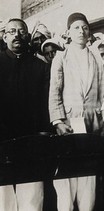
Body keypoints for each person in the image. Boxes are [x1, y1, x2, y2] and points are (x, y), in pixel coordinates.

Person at [48, 12, 104, 211]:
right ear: (69, 32)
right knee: (66, 181)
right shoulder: (61, 57)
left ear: (89, 32)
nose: (81, 31)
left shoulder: (96, 57)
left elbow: (101, 90)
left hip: (91, 124)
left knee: (88, 180)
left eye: (85, 27)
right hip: (70, 124)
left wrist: (101, 118)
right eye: (77, 28)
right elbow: (55, 90)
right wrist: (58, 121)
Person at [0, 18, 49, 211]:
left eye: (21, 32)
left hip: (31, 137)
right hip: (1, 138)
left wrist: (44, 131)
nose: (17, 35)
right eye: (12, 31)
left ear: (28, 36)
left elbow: (45, 102)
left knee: (32, 194)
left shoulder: (39, 66)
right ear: (4, 37)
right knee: (3, 197)